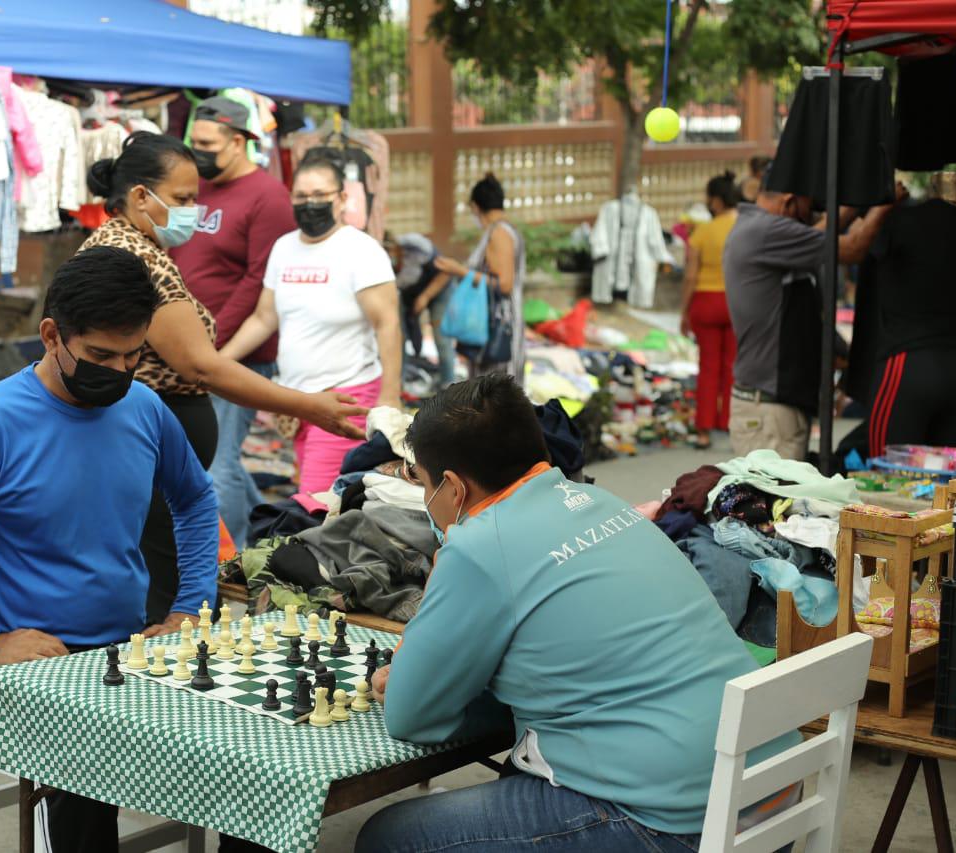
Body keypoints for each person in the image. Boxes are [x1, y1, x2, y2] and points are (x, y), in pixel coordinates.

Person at [358, 374, 800, 851]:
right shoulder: (602, 502)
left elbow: (410, 717)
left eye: (421, 483)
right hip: (769, 793)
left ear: (453, 487)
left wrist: (410, 680)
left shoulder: (478, 547)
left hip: (673, 825)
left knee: (390, 837)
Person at [0, 246, 219, 853]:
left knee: (237, 741)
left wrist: (191, 605)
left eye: (132, 354)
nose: (118, 370)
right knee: (84, 780)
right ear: (51, 335)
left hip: (124, 650)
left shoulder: (142, 407)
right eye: (99, 355)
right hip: (23, 663)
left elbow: (196, 500)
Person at [80, 132, 366, 623]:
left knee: (163, 580)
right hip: (145, 447)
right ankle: (160, 692)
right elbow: (199, 366)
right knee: (165, 600)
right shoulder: (135, 259)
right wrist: (307, 405)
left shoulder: (131, 244)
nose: (194, 211)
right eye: (184, 200)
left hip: (150, 451)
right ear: (140, 197)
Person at [219, 156, 402, 504]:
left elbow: (387, 323)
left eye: (319, 194)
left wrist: (390, 396)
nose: (309, 203)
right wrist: (216, 363)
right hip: (297, 402)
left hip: (345, 395)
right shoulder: (284, 247)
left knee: (314, 502)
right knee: (327, 499)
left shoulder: (361, 251)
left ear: (342, 198)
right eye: (300, 195)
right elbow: (264, 318)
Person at [170, 97, 296, 551]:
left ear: (239, 141)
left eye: (208, 144)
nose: (198, 152)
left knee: (214, 464)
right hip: (190, 349)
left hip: (234, 352)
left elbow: (259, 281)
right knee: (216, 458)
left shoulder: (268, 197)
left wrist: (213, 344)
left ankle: (227, 565)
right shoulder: (198, 187)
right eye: (195, 143)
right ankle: (268, 530)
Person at [723, 184, 891, 460]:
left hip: (777, 405)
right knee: (778, 501)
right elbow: (851, 248)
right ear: (789, 203)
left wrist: (858, 202)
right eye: (809, 209)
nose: (814, 216)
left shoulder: (764, 229)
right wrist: (884, 203)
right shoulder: (764, 232)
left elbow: (818, 234)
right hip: (769, 408)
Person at [864, 171, 956, 456]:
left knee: (885, 476)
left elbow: (856, 249)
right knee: (952, 485)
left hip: (908, 364)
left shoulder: (901, 221)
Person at [433, 173, 526, 379]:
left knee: (495, 396)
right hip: (500, 325)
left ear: (476, 207)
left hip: (498, 328)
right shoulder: (506, 230)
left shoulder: (499, 233)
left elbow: (504, 284)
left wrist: (459, 270)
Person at [679, 171, 740, 449]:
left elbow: (691, 275)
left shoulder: (703, 232)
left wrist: (683, 311)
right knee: (732, 367)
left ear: (715, 201)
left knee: (708, 367)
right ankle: (730, 426)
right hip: (737, 302)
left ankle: (703, 431)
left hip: (705, 302)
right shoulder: (743, 227)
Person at [388, 232, 457, 390]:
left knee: (441, 338)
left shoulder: (416, 246)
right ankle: (401, 384)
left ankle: (449, 384)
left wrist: (425, 296)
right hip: (409, 296)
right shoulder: (385, 267)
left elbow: (446, 271)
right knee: (400, 336)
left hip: (440, 291)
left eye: (391, 252)